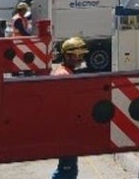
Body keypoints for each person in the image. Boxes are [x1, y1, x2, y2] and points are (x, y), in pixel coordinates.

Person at [49, 36, 89, 179]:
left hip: (66, 129)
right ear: (67, 56)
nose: (80, 59)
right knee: (66, 170)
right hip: (65, 130)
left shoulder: (65, 72)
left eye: (81, 55)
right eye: (77, 55)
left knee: (68, 168)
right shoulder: (64, 75)